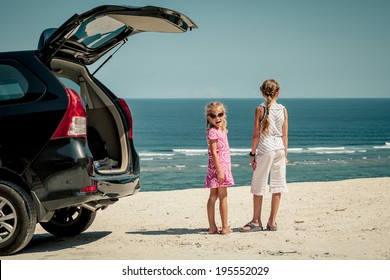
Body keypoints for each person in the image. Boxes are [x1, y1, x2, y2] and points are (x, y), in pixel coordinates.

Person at [241, 79, 288, 232]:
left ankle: (256, 221)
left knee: (259, 183)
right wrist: (285, 154)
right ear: (278, 92)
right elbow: (285, 135)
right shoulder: (283, 109)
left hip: (265, 148)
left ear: (262, 91)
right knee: (278, 185)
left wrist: (252, 154)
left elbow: (256, 135)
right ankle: (272, 222)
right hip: (280, 149)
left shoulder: (259, 109)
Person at [204, 102, 235, 234]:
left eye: (220, 114)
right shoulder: (213, 132)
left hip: (222, 167)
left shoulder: (222, 130)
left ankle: (214, 227)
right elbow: (214, 153)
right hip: (219, 168)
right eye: (213, 115)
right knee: (221, 196)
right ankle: (224, 227)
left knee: (215, 196)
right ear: (208, 118)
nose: (217, 118)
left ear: (224, 115)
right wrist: (220, 171)